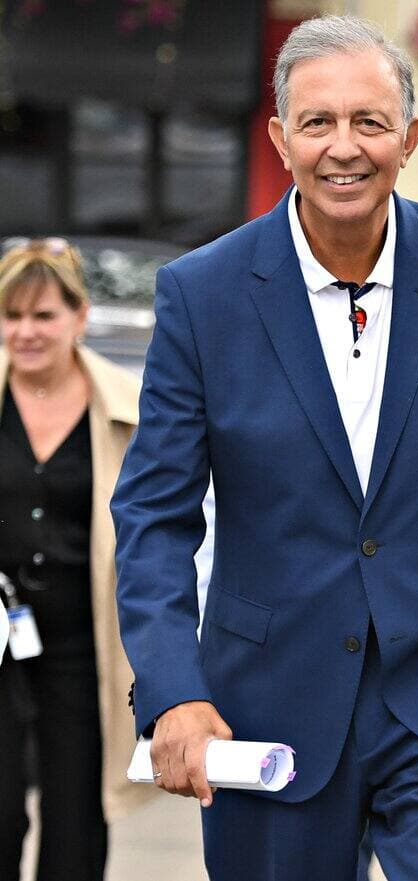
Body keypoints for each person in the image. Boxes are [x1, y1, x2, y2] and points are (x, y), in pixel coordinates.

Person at [111, 15, 418, 881]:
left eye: (369, 122)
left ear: (408, 139)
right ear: (280, 137)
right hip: (266, 707)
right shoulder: (201, 294)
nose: (344, 148)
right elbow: (153, 514)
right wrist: (173, 687)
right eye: (318, 122)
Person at [0, 238, 150, 880]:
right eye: (12, 315)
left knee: (78, 815)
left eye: (44, 315)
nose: (26, 332)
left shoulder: (129, 407)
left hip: (85, 642)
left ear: (80, 316)